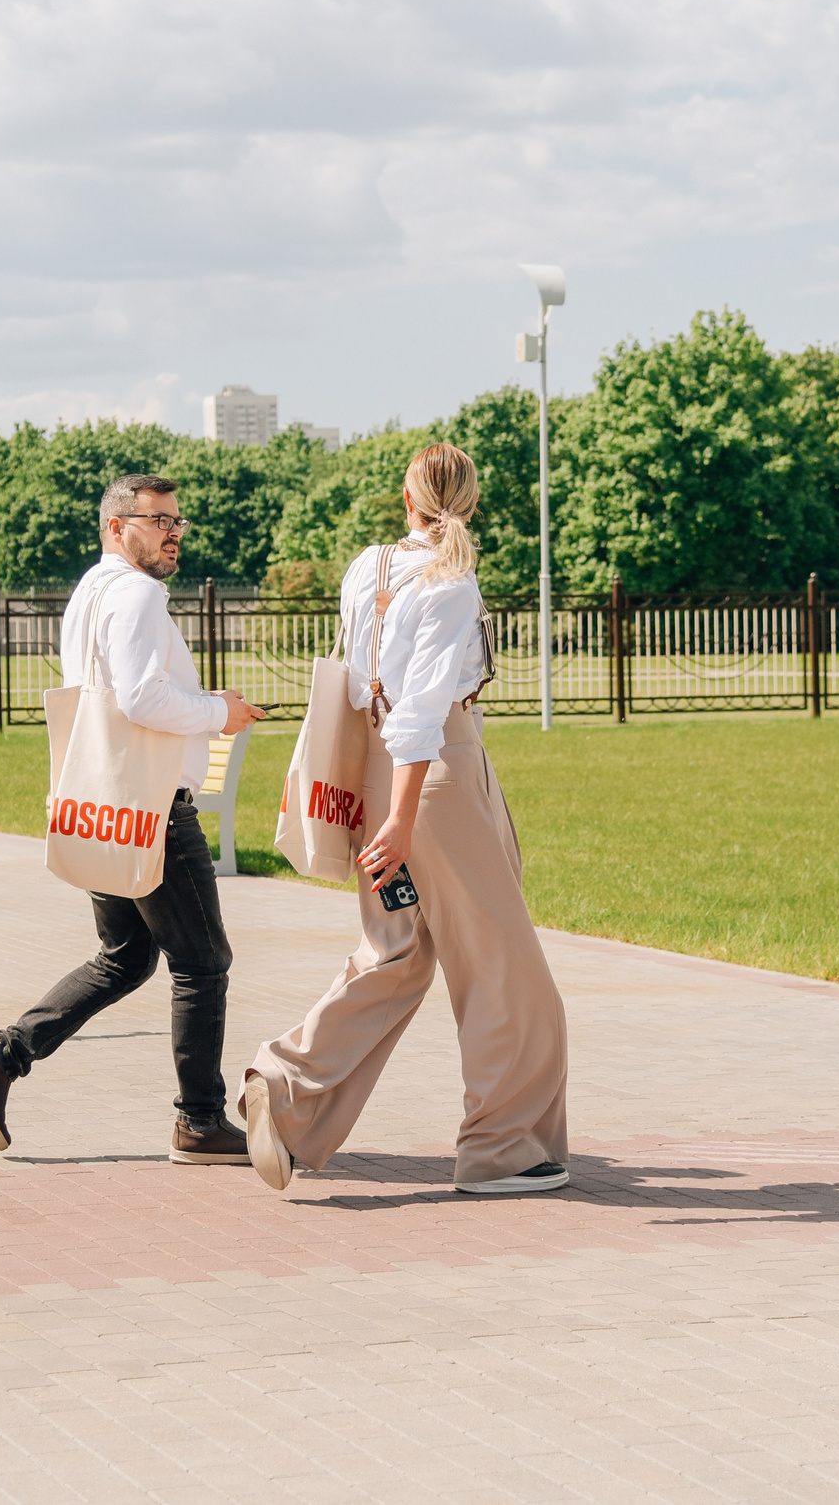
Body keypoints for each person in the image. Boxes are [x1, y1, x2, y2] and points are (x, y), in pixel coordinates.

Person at [240, 442, 571, 1195]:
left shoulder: (370, 567)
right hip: (434, 778)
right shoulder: (452, 579)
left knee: (396, 954)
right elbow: (422, 710)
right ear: (471, 500)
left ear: (406, 497)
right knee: (504, 968)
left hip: (379, 768)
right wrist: (402, 818)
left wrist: (387, 809)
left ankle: (285, 1087)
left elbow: (365, 684)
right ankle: (504, 1150)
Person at [0, 474, 267, 1163]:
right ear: (115, 527)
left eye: (177, 521)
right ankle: (200, 1122)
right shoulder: (137, 593)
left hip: (103, 805)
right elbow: (139, 699)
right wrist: (219, 712)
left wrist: (204, 702)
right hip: (151, 810)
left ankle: (3, 1056)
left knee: (126, 957)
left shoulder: (91, 591)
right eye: (157, 520)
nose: (172, 533)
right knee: (203, 962)